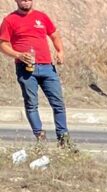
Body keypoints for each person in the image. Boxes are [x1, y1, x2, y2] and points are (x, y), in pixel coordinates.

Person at [0, 0, 74, 148]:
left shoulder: (42, 17)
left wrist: (60, 51)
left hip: (47, 67)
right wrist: (18, 55)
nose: (25, 1)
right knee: (31, 104)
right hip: (25, 68)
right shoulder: (9, 20)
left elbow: (54, 35)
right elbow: (3, 44)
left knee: (58, 104)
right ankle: (40, 137)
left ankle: (63, 140)